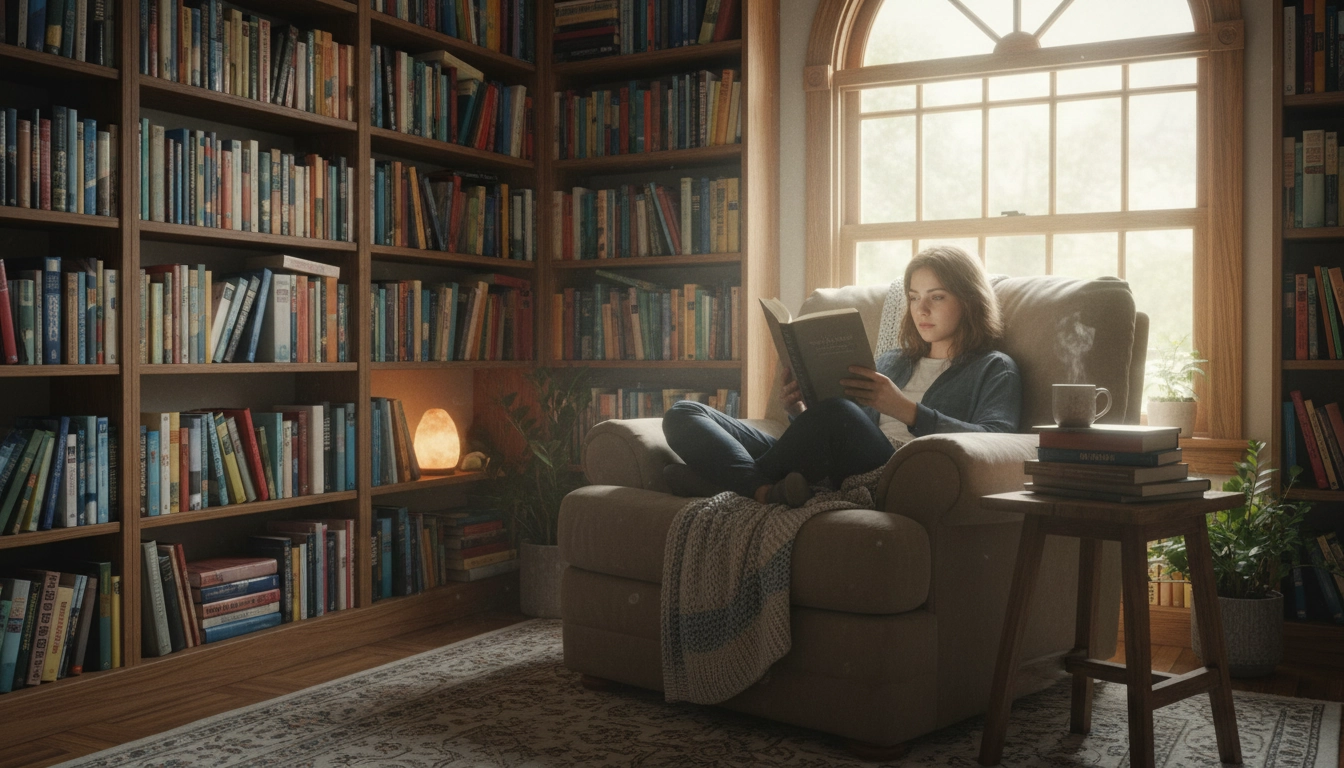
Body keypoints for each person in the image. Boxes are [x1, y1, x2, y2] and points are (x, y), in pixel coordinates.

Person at [661, 245, 1023, 507]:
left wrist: (906, 410)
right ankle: (761, 490)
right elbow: (833, 435)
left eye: (937, 297)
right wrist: (801, 409)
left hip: (890, 469)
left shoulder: (994, 368)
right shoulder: (893, 361)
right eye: (914, 298)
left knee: (838, 413)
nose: (921, 309)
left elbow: (998, 442)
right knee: (684, 413)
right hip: (835, 457)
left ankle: (714, 480)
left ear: (971, 300)